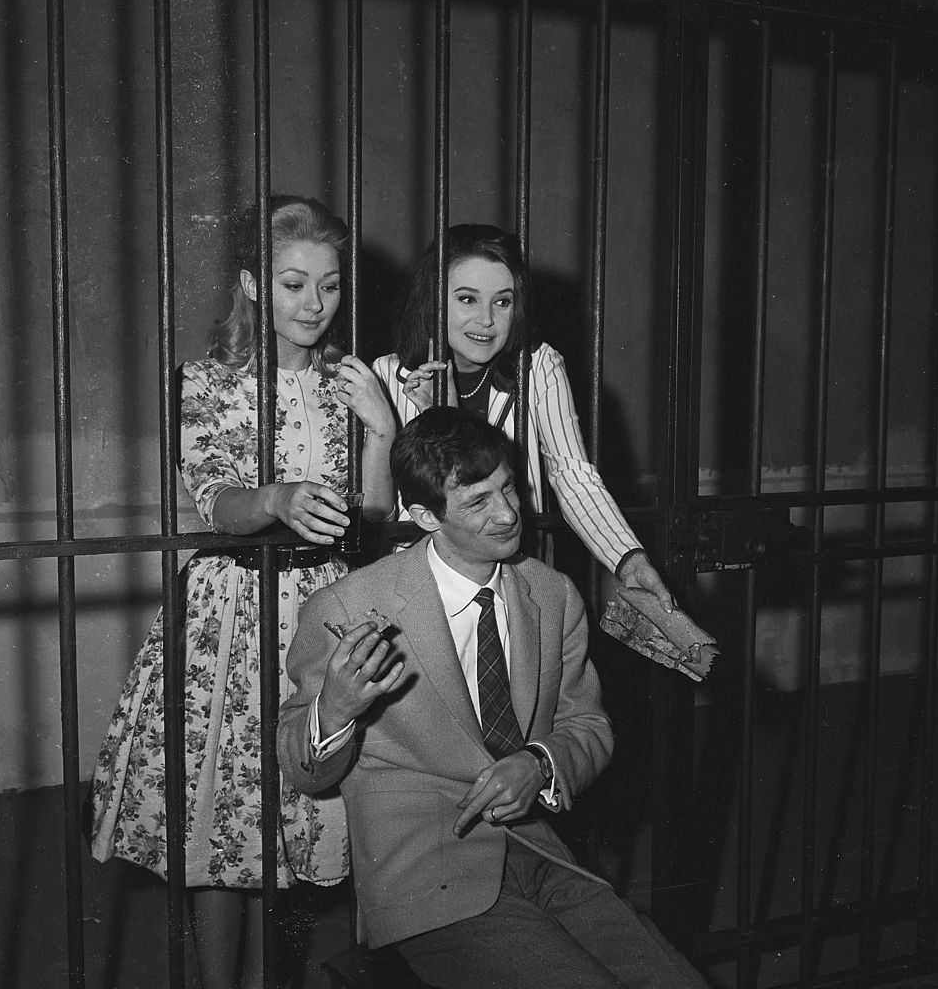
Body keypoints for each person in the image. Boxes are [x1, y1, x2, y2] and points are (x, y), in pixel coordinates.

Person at [277, 407, 708, 989]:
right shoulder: (347, 608)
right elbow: (303, 772)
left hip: (544, 852)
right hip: (427, 878)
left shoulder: (551, 595)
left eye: (508, 488)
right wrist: (334, 709)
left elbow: (588, 725)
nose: (508, 514)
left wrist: (541, 764)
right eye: (478, 502)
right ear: (426, 516)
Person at [88, 195, 396, 989]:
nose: (314, 305)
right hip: (233, 616)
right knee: (220, 827)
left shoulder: (350, 385)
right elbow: (215, 497)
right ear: (255, 284)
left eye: (328, 287)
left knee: (293, 816)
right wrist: (278, 499)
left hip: (323, 610)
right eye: (294, 285)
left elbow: (370, 522)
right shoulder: (209, 382)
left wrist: (384, 434)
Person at [372, 222, 675, 617]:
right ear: (433, 300)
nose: (486, 320)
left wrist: (629, 560)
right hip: (423, 587)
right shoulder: (386, 375)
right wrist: (442, 417)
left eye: (502, 301)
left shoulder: (537, 366)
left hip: (519, 578)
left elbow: (573, 475)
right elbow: (391, 508)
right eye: (467, 299)